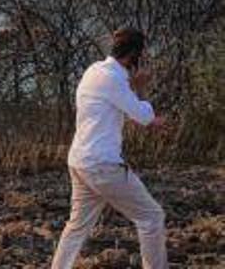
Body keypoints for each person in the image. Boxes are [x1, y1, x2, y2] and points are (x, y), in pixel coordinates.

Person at [51, 29, 168, 269]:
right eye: (142, 56)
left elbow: (123, 105)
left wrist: (134, 90)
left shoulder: (94, 70)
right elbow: (143, 116)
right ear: (135, 55)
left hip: (80, 161)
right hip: (102, 165)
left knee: (77, 226)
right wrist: (141, 87)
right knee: (151, 217)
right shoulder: (115, 79)